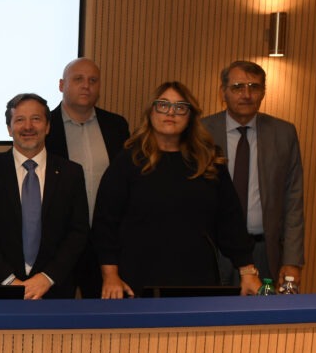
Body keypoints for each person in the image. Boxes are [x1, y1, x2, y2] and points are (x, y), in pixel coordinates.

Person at [92, 81, 260, 298]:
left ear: (190, 116)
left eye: (180, 107)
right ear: (151, 112)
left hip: (198, 280)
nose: (171, 113)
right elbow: (105, 223)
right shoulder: (127, 162)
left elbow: (230, 221)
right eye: (163, 105)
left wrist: (248, 271)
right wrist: (110, 275)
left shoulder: (209, 162)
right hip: (137, 281)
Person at [0, 93, 89, 299]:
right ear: (9, 128)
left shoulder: (71, 173)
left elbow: (78, 232)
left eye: (36, 119)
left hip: (54, 290)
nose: (28, 127)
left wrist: (47, 278)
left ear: (48, 126)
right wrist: (10, 281)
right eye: (19, 120)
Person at [201, 61, 305, 290]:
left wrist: (292, 260)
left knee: (263, 312)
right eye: (238, 87)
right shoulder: (202, 132)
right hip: (214, 253)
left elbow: (293, 200)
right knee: (211, 311)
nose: (246, 95)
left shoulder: (283, 133)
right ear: (223, 92)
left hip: (264, 252)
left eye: (254, 87)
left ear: (263, 93)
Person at [45, 57, 130, 298]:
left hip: (106, 244)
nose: (86, 86)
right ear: (62, 85)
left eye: (93, 80)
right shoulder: (45, 127)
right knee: (57, 313)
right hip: (59, 244)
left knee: (105, 313)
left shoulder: (116, 126)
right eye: (78, 79)